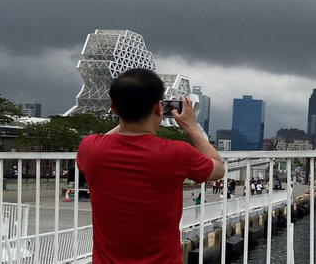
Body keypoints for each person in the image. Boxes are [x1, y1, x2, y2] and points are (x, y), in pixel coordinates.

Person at [77, 68, 225, 264]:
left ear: (113, 108)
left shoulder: (90, 148)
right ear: (159, 108)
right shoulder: (177, 153)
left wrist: (126, 115)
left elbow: (108, 139)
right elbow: (218, 168)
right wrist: (191, 127)